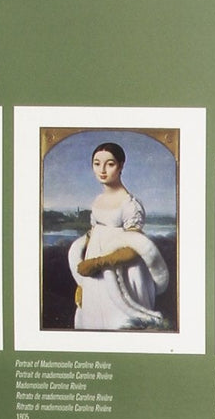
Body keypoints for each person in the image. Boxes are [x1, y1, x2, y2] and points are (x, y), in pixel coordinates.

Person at [67, 141, 170, 330]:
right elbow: (92, 237)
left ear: (121, 166)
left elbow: (136, 247)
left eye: (110, 164)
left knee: (120, 323)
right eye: (97, 164)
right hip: (94, 274)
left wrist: (97, 264)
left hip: (123, 273)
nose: (102, 170)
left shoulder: (130, 204)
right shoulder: (98, 200)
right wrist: (82, 284)